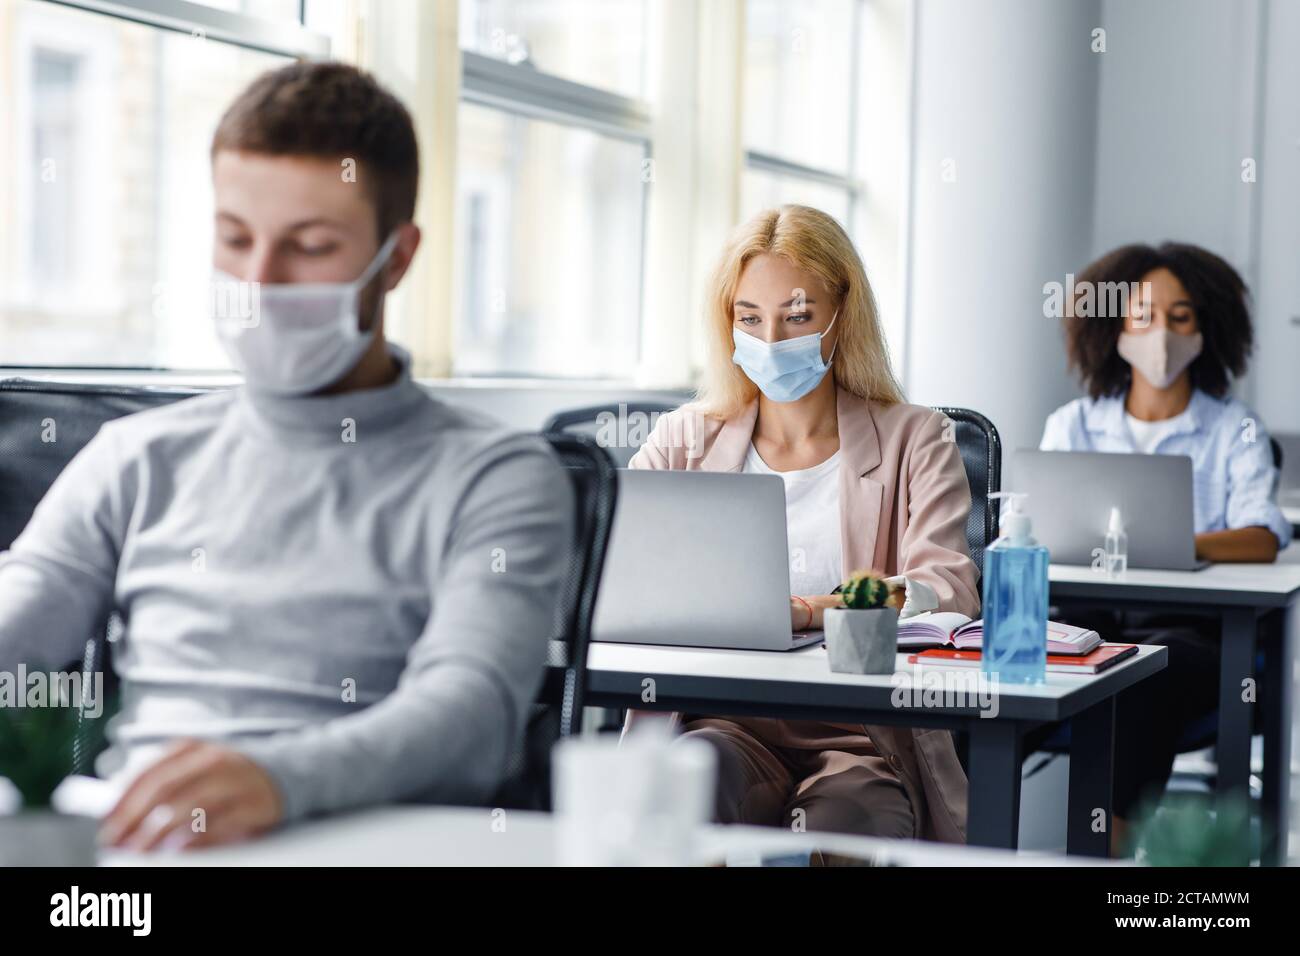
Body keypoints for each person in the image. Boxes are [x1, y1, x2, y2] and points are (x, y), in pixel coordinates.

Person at [0, 62, 574, 850]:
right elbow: (16, 625)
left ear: (396, 260)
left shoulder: (497, 475)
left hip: (373, 849)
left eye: (309, 246)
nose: (257, 281)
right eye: (234, 238)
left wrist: (276, 780)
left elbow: (470, 718)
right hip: (144, 849)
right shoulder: (136, 458)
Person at [626, 205, 979, 842]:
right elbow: (619, 567)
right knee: (686, 786)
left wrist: (810, 610)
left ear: (843, 317)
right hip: (723, 721)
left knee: (851, 821)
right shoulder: (683, 438)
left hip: (863, 732)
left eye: (797, 316)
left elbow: (947, 588)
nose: (770, 340)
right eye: (749, 318)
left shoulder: (916, 437)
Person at [1039, 241, 1291, 851]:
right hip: (1086, 617)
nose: (1161, 333)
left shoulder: (1236, 429)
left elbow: (1262, 536)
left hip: (1195, 633)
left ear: (1207, 329)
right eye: (1144, 314)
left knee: (1143, 671)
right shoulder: (1072, 424)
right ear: (1115, 324)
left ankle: (1101, 855)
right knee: (1035, 667)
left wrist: (1174, 542)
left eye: (1181, 317)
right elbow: (1042, 527)